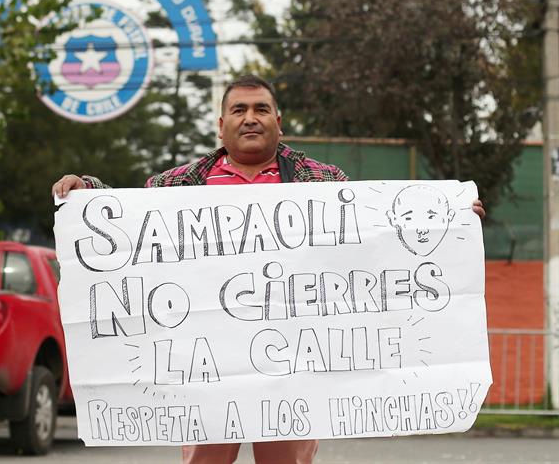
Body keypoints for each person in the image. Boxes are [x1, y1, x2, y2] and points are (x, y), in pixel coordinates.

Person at [52, 75, 485, 464]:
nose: (250, 118)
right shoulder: (177, 187)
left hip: (293, 369)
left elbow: (374, 240)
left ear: (279, 121)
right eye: (238, 110)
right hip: (208, 370)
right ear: (221, 126)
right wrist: (86, 194)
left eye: (261, 109)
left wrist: (449, 222)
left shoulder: (324, 182)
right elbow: (129, 225)